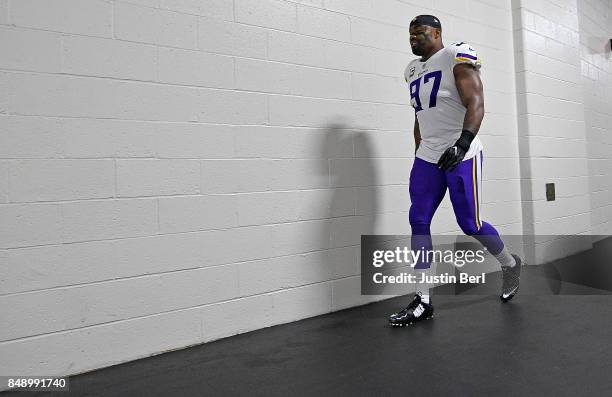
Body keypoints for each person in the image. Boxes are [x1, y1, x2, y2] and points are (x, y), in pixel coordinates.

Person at [388, 15, 522, 327]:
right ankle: (423, 299)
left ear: (437, 33)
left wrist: (462, 144)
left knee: (469, 223)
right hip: (429, 155)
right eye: (410, 35)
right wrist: (419, 152)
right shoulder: (411, 70)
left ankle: (509, 263)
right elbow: (421, 116)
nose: (413, 39)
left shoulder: (456, 55)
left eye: (420, 33)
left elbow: (476, 101)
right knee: (418, 219)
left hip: (461, 151)